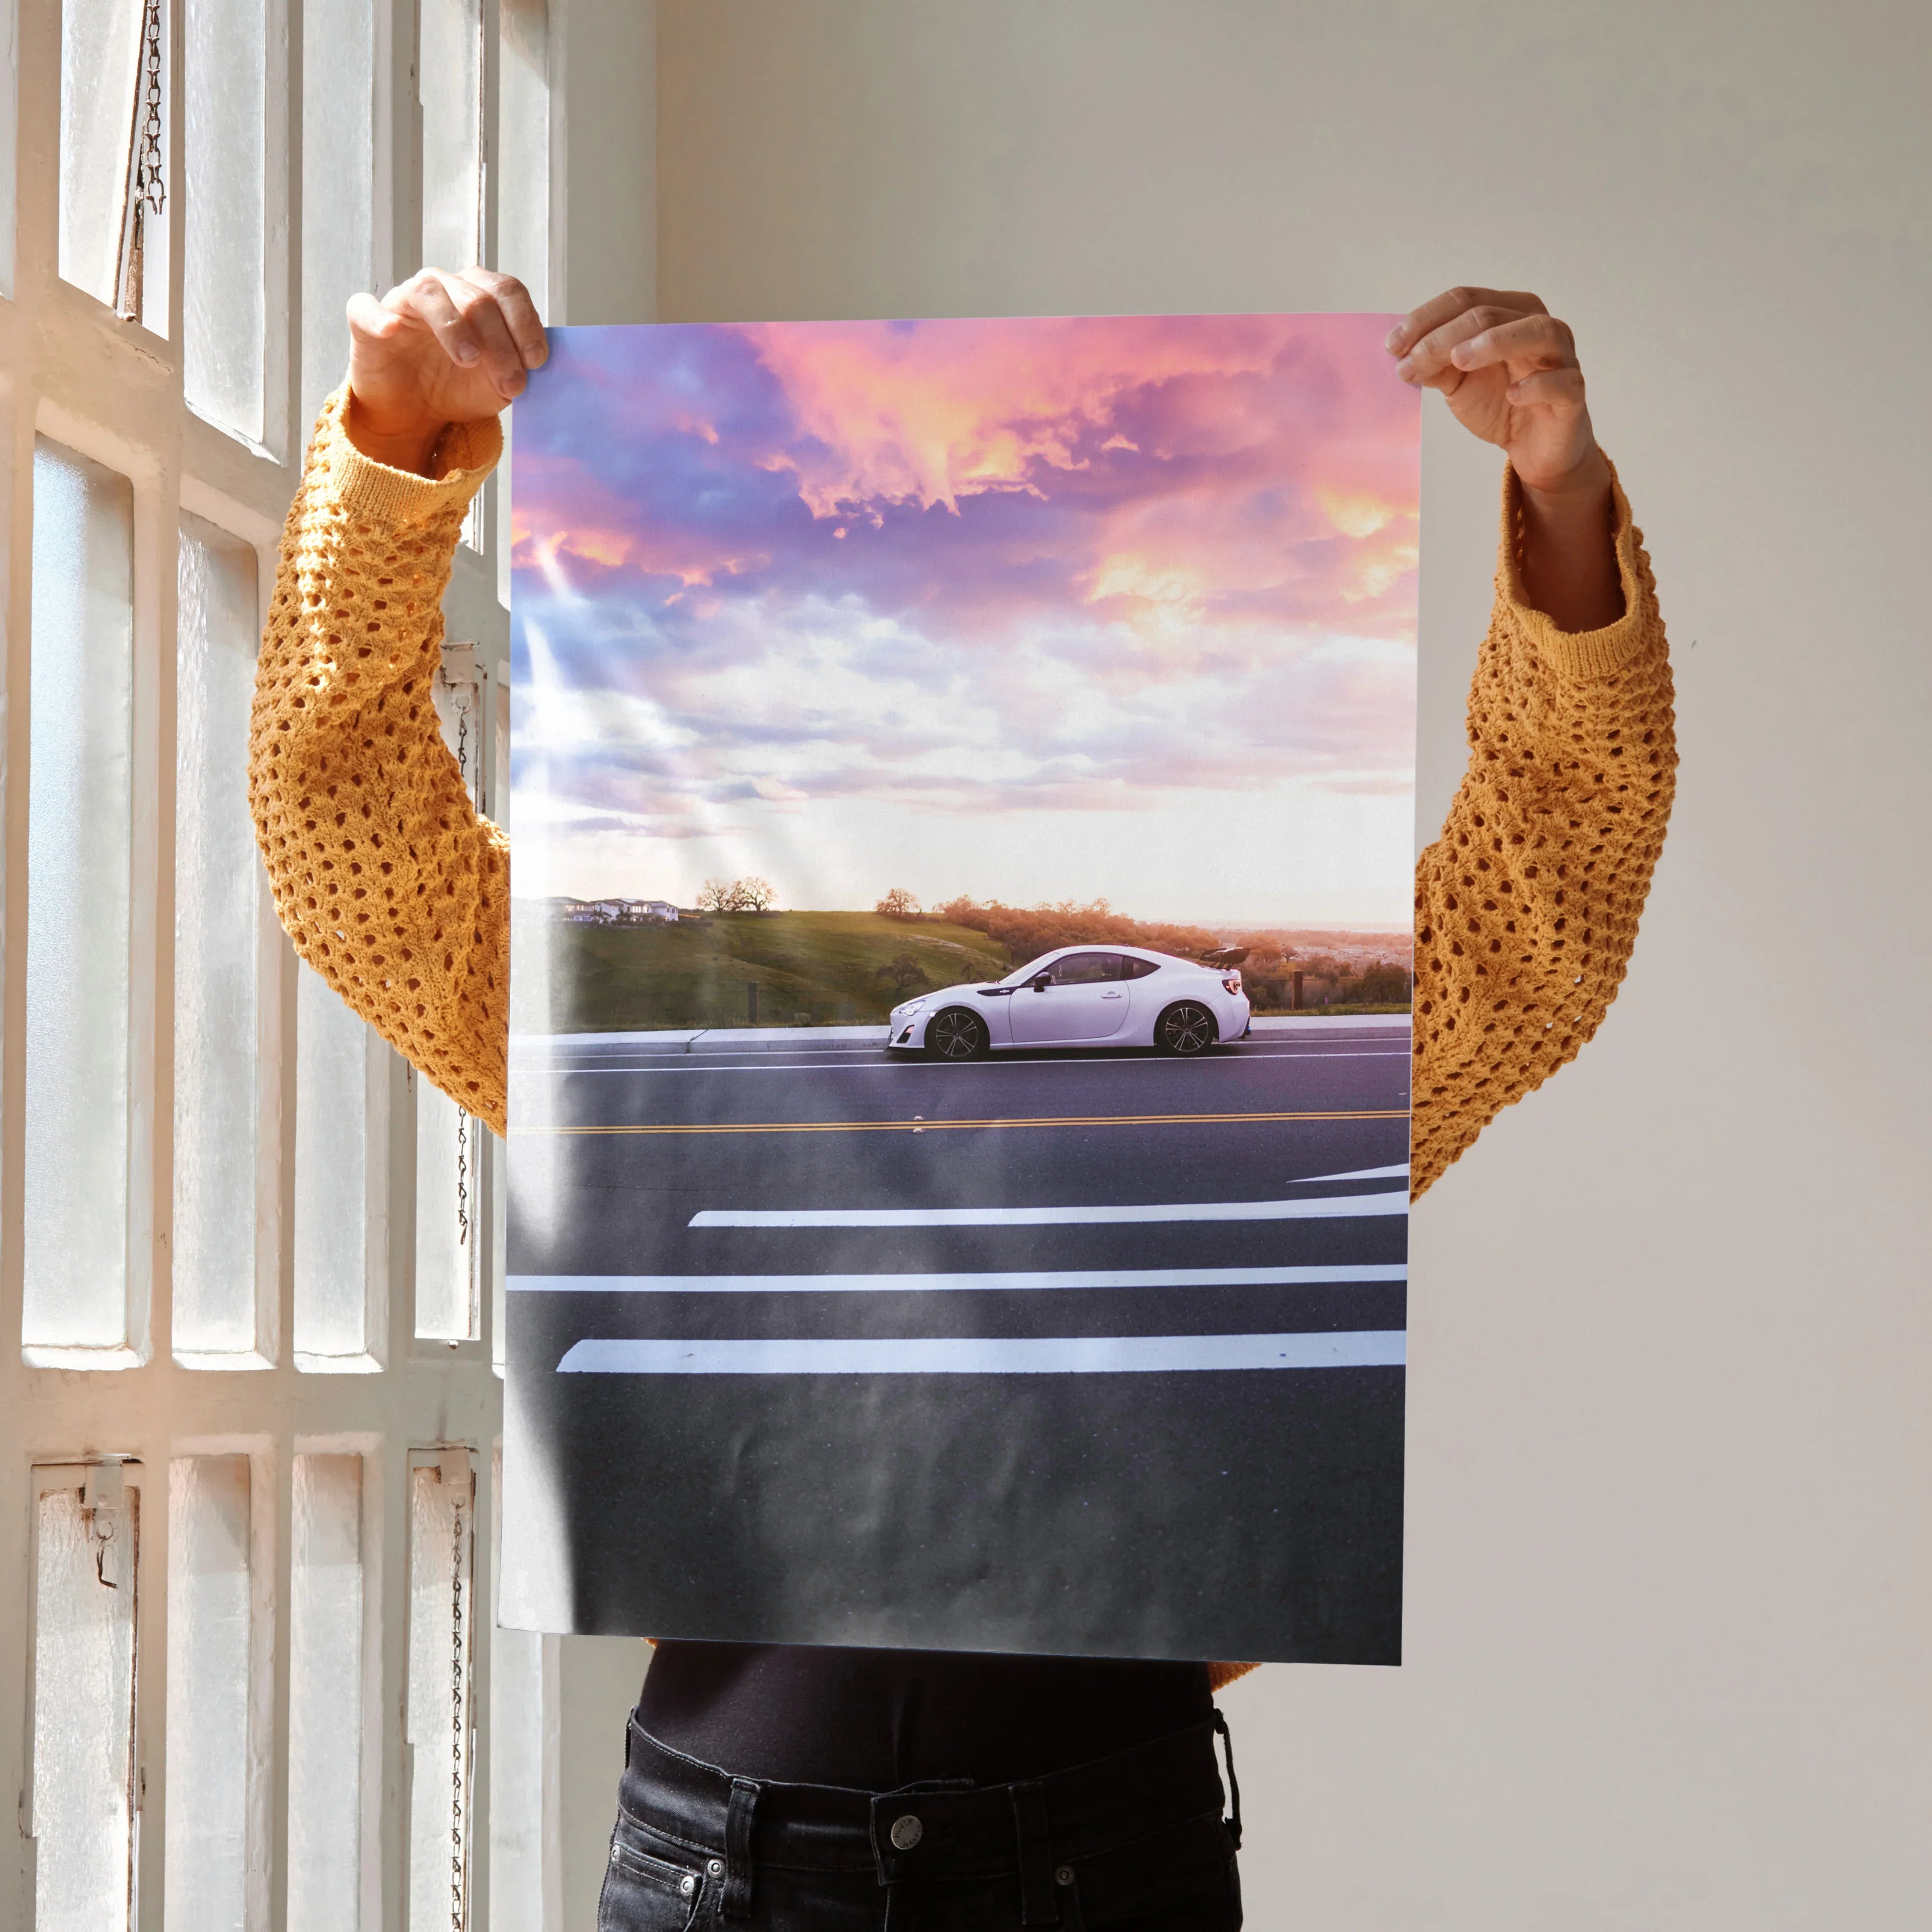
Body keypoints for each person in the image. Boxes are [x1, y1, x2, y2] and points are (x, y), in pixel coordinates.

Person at [249, 268, 1675, 1930]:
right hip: (726, 1862)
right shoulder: (623, 1055)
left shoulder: (1246, 1106)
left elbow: (1544, 909)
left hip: (1106, 1849)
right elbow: (348, 843)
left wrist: (1561, 499)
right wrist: (391, 445)